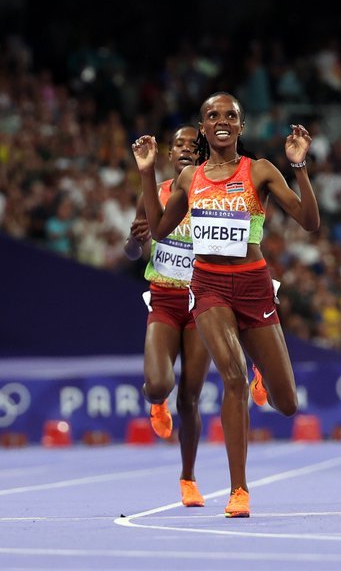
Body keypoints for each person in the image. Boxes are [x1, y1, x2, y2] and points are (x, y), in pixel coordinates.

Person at [131, 92, 320, 518]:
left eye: (230, 115)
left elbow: (310, 222)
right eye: (213, 116)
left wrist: (300, 166)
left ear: (241, 125)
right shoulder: (189, 179)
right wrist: (146, 174)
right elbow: (160, 231)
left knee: (287, 402)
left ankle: (261, 372)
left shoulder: (260, 171)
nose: (222, 121)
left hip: (253, 285)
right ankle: (239, 491)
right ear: (203, 128)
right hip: (209, 286)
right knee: (231, 379)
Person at [124, 124, 211, 507]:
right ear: (170, 155)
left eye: (194, 145)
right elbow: (130, 253)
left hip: (202, 302)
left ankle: (188, 477)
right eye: (179, 144)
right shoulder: (156, 192)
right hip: (163, 299)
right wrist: (134, 240)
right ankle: (156, 403)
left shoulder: (213, 195)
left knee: (190, 398)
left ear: (202, 154)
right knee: (159, 385)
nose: (186, 149)